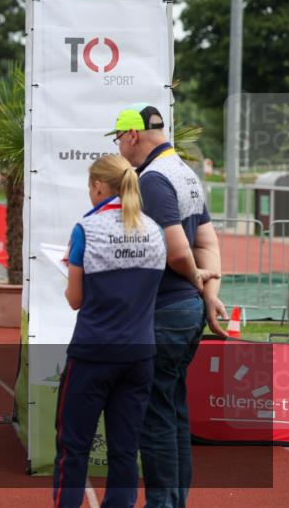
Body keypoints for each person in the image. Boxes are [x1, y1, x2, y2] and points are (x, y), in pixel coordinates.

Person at [109, 103, 224, 507]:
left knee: (156, 418)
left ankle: (163, 503)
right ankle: (175, 500)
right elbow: (207, 242)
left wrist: (195, 278)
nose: (121, 151)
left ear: (133, 135)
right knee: (173, 413)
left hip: (163, 310)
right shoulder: (185, 173)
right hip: (185, 310)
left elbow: (178, 251)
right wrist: (208, 294)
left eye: (119, 140)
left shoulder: (152, 179)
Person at [52, 155, 171, 507]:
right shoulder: (154, 230)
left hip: (92, 354)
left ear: (99, 186)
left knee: (73, 448)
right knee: (125, 449)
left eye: (90, 186)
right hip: (139, 355)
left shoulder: (86, 230)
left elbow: (75, 300)